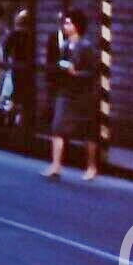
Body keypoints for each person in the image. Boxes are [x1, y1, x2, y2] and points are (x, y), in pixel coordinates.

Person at [44, 10, 99, 181]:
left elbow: (92, 72)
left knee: (88, 131)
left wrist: (76, 73)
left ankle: (91, 167)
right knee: (58, 127)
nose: (65, 26)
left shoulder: (86, 46)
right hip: (66, 92)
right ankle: (56, 165)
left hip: (83, 94)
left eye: (68, 23)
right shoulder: (65, 45)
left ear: (77, 26)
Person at [3, 9, 36, 141]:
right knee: (20, 93)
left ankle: (12, 117)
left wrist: (7, 61)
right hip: (22, 68)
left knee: (18, 93)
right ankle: (15, 117)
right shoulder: (24, 35)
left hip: (19, 67)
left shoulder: (16, 34)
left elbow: (6, 49)